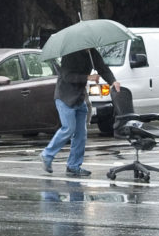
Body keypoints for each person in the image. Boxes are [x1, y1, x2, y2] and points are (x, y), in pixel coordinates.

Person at [41, 47, 118, 177]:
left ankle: (73, 166)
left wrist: (113, 81)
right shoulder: (70, 54)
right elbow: (67, 76)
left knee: (81, 134)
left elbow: (102, 68)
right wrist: (88, 77)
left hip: (79, 98)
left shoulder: (92, 53)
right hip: (64, 97)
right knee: (68, 128)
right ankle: (47, 154)